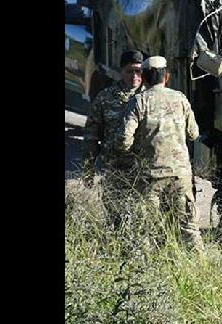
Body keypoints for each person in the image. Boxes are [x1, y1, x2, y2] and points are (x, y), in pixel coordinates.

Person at [116, 56, 203, 247]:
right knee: (188, 228)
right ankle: (199, 268)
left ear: (144, 78)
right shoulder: (180, 99)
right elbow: (194, 134)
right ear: (167, 77)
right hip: (180, 175)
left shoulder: (138, 102)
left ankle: (147, 270)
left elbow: (123, 140)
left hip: (150, 176)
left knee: (145, 230)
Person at [82, 50, 145, 208]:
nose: (134, 76)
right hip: (115, 169)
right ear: (121, 72)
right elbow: (91, 135)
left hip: (144, 171)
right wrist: (88, 168)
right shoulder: (105, 98)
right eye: (130, 71)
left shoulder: (151, 98)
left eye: (139, 71)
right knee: (115, 217)